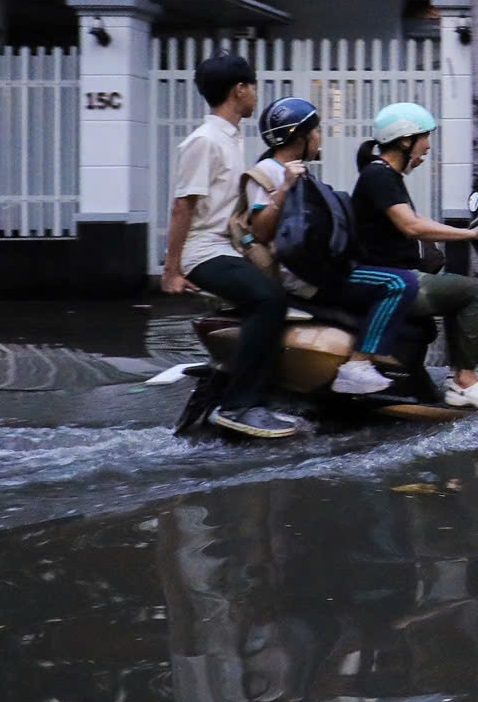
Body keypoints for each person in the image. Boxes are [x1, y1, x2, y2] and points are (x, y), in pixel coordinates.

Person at [163, 53, 299, 439]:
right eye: (252, 85)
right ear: (239, 90)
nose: (256, 93)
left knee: (282, 292)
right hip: (204, 250)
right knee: (268, 299)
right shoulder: (204, 141)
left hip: (226, 246)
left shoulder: (230, 137)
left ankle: (247, 388)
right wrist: (172, 269)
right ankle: (242, 406)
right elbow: (182, 207)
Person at [242, 96, 410, 397]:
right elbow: (261, 231)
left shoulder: (296, 169)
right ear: (299, 136)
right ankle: (356, 368)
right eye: (316, 131)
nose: (320, 137)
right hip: (302, 277)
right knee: (400, 283)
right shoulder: (269, 171)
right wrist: (284, 189)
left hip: (315, 268)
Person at [351, 102, 478, 410]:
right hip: (393, 278)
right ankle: (465, 379)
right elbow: (411, 226)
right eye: (424, 137)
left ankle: (458, 378)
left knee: (456, 288)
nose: (428, 146)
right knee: (476, 291)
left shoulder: (386, 176)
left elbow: (414, 220)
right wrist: (471, 234)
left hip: (400, 271)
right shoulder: (379, 175)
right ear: (405, 140)